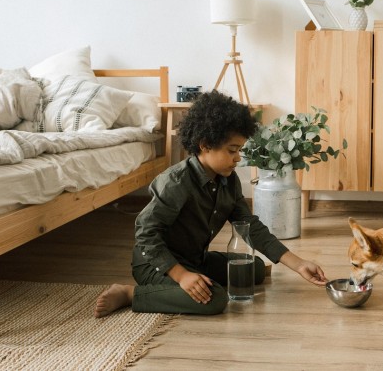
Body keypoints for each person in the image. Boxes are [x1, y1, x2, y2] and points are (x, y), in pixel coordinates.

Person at [95, 90, 328, 317]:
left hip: (195, 259)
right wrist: (181, 275)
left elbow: (249, 225)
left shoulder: (228, 180)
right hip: (156, 264)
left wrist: (298, 264)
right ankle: (131, 294)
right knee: (215, 300)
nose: (238, 158)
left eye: (240, 150)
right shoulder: (176, 182)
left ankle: (193, 279)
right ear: (205, 145)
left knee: (254, 267)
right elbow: (145, 234)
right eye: (232, 151)